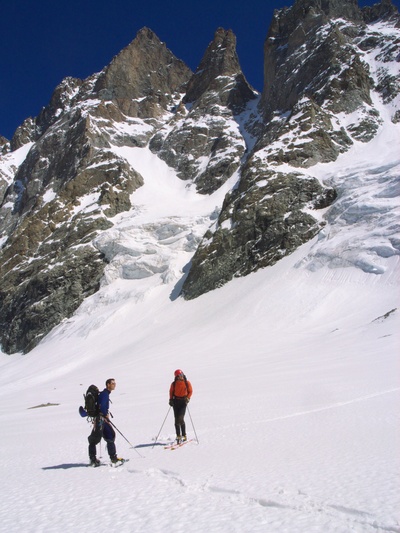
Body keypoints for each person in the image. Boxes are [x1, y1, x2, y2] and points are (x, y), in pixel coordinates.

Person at [88, 378, 124, 466]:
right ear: (108, 384)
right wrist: (104, 415)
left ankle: (113, 458)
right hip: (101, 419)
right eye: (112, 383)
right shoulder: (104, 394)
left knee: (110, 436)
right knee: (94, 439)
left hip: (102, 419)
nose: (114, 385)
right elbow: (102, 406)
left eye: (114, 383)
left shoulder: (105, 394)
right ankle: (93, 460)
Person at [169, 369, 193, 444]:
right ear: (177, 376)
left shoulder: (187, 382)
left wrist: (188, 398)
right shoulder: (174, 384)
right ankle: (178, 436)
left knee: (180, 418)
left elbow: (190, 391)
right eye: (179, 375)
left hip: (183, 402)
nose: (181, 376)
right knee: (176, 419)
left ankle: (184, 435)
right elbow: (171, 392)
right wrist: (171, 400)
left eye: (182, 374)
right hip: (176, 402)